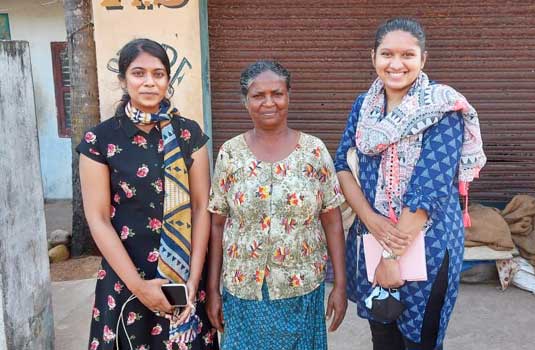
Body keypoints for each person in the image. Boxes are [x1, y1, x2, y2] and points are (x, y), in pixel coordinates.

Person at [335, 18, 486, 350]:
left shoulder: (443, 108)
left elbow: (428, 190)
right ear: (373, 56)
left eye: (408, 55)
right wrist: (372, 222)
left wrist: (390, 257)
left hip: (428, 243)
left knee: (420, 339)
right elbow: (342, 165)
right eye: (387, 54)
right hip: (372, 239)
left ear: (423, 59)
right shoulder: (364, 107)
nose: (396, 64)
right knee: (383, 333)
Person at [77, 38, 218, 350]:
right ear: (123, 80)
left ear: (168, 79)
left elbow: (200, 207)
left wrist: (193, 281)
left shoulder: (188, 134)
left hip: (184, 274)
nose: (149, 82)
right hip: (127, 275)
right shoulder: (99, 140)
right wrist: (139, 286)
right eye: (139, 73)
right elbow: (98, 218)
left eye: (158, 74)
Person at [206, 60, 347, 349]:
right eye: (258, 95)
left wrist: (341, 286)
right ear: (245, 101)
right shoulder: (230, 153)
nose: (269, 102)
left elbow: (332, 221)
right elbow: (217, 224)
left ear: (288, 96)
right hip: (243, 291)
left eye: (277, 93)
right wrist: (212, 290)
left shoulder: (314, 151)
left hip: (302, 289)